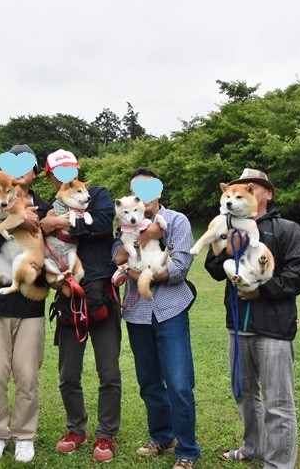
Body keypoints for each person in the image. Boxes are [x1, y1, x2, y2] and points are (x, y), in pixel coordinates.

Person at [204, 168, 300, 468]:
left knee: (278, 403)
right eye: (236, 188)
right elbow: (214, 270)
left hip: (273, 328)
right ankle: (254, 448)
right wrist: (225, 250)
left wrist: (261, 291)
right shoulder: (227, 225)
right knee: (245, 394)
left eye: (251, 187)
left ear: (267, 193)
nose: (241, 192)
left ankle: (279, 464)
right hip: (238, 327)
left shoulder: (286, 229)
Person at [112, 167, 201, 469]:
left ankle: (187, 450)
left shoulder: (176, 221)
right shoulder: (125, 223)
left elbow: (179, 268)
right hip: (137, 313)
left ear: (159, 192)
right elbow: (117, 258)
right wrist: (147, 236)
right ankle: (162, 435)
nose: (142, 197)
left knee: (178, 383)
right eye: (136, 192)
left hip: (171, 310)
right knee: (149, 382)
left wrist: (140, 274)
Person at [40, 149, 121, 463]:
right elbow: (38, 235)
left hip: (101, 291)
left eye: (69, 169)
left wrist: (57, 222)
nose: (65, 175)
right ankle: (76, 428)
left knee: (109, 371)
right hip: (67, 294)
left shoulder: (97, 194)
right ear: (50, 176)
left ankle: (106, 433)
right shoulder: (48, 206)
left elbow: (100, 223)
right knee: (68, 373)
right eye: (58, 171)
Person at [0, 144, 52, 464]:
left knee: (27, 376)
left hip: (30, 307)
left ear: (35, 172)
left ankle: (24, 436)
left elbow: (54, 251)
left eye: (27, 165)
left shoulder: (47, 209)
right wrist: (14, 223)